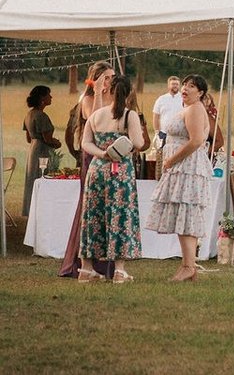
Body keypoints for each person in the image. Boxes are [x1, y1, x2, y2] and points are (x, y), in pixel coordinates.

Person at [78, 73, 146, 283]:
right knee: (119, 216)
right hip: (120, 172)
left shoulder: (97, 115)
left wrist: (102, 154)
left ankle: (86, 269)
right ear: (128, 93)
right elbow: (138, 143)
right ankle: (119, 270)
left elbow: (85, 143)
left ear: (109, 91)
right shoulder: (130, 116)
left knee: (93, 216)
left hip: (97, 170)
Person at [149, 74, 216, 282]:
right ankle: (188, 265)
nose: (185, 88)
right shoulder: (186, 108)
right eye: (185, 84)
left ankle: (189, 265)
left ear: (201, 93)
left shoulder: (196, 109)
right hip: (181, 167)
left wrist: (172, 160)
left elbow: (196, 141)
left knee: (187, 213)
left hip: (187, 167)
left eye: (192, 86)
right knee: (181, 213)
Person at [59, 60, 115, 280]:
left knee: (108, 206)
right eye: (107, 77)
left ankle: (106, 264)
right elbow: (97, 121)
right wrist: (98, 91)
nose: (110, 81)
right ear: (96, 79)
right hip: (91, 156)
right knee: (90, 206)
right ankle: (81, 263)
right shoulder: (88, 99)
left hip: (111, 157)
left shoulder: (115, 98)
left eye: (112, 77)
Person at [22, 85, 59, 225]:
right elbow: (48, 139)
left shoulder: (29, 114)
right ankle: (42, 210)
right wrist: (57, 143)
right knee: (42, 177)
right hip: (42, 151)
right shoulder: (42, 116)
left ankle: (30, 209)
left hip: (33, 150)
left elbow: (28, 138)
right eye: (49, 95)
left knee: (32, 179)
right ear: (42, 99)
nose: (51, 97)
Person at [150, 75, 184, 159]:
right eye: (173, 84)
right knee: (161, 155)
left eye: (176, 84)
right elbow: (156, 116)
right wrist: (157, 132)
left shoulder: (183, 99)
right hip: (163, 133)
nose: (175, 86)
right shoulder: (161, 99)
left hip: (178, 134)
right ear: (168, 85)